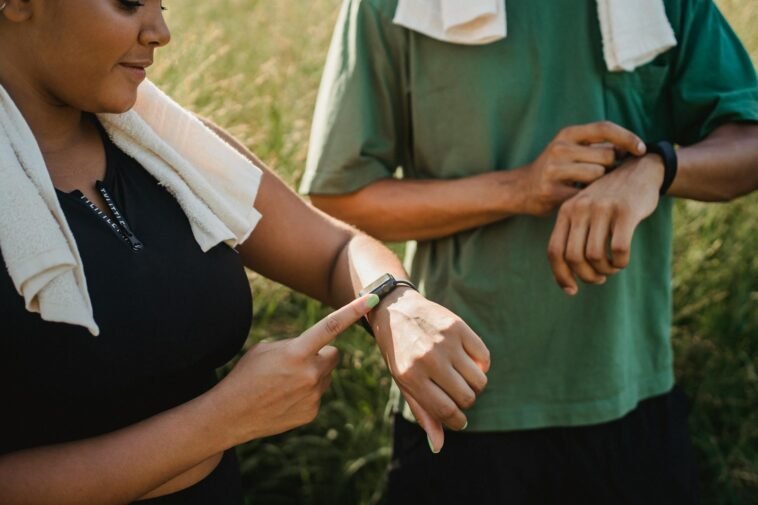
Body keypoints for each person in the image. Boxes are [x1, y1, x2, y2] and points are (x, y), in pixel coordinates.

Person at [0, 1, 492, 504]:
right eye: (128, 3)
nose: (161, 32)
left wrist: (397, 304)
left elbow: (336, 248)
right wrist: (221, 421)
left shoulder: (167, 145)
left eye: (162, 4)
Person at [301, 0, 758, 503]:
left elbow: (747, 145)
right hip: (460, 394)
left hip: (632, 394)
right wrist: (519, 188)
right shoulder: (388, 7)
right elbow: (341, 194)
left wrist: (655, 168)